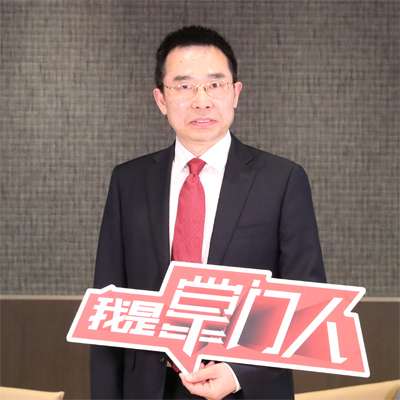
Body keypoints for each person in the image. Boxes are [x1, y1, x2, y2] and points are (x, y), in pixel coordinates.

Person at [90, 25, 326, 400]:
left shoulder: (282, 180)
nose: (201, 101)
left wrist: (238, 372)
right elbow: (107, 302)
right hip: (149, 389)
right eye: (184, 86)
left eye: (215, 85)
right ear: (161, 99)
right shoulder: (129, 181)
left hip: (244, 390)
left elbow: (307, 303)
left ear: (235, 93)